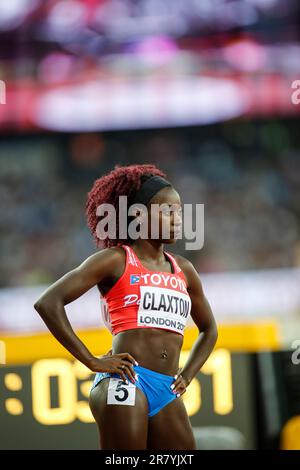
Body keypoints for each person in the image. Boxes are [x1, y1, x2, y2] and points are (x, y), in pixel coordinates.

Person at [34, 163, 218, 450]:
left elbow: (209, 329)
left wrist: (189, 373)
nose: (178, 219)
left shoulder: (183, 269)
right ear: (138, 215)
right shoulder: (115, 260)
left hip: (165, 388)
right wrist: (91, 361)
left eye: (180, 212)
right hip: (125, 381)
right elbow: (48, 302)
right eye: (168, 211)